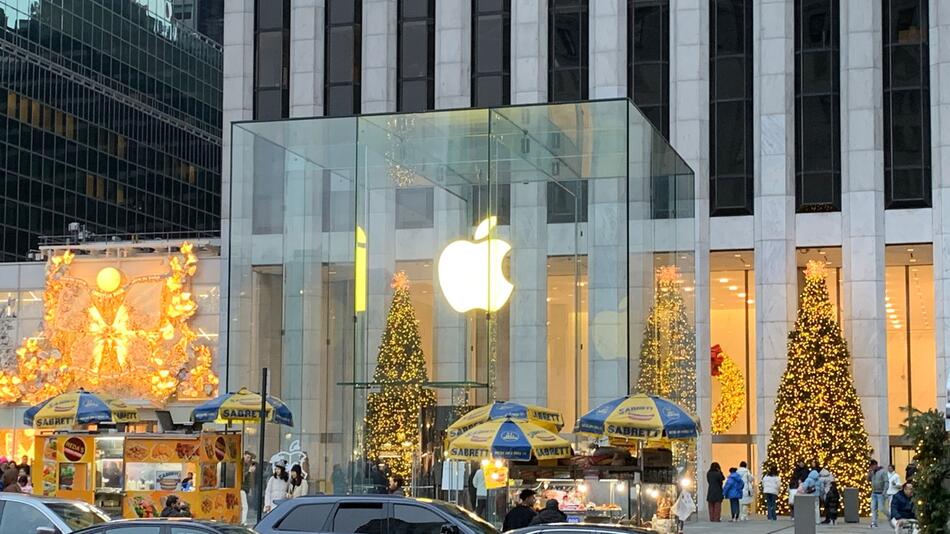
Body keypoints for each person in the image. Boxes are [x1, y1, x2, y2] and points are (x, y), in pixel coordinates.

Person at [870, 459, 889, 528]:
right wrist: (869, 473)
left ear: (875, 465)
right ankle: (874, 522)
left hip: (881, 493)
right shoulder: (872, 472)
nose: (871, 468)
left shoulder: (882, 472)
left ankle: (889, 516)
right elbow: (868, 479)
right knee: (873, 508)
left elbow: (886, 482)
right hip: (874, 493)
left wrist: (884, 491)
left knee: (881, 508)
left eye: (872, 466)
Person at [241, 451, 257, 525]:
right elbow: (242, 477)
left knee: (243, 505)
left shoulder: (248, 465)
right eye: (247, 457)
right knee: (245, 506)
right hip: (241, 487)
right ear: (243, 455)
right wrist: (249, 471)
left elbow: (255, 456)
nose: (249, 459)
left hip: (245, 488)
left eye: (249, 458)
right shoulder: (241, 464)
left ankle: (242, 520)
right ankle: (243, 521)